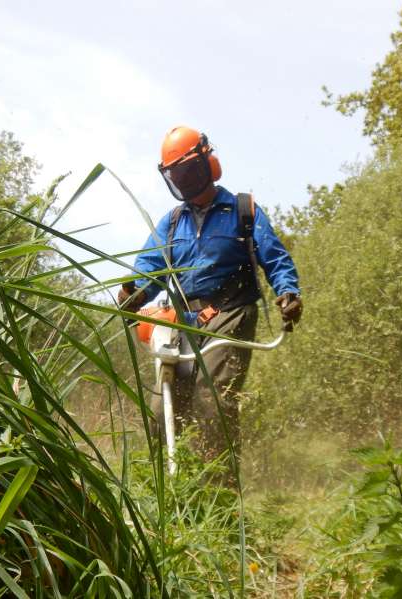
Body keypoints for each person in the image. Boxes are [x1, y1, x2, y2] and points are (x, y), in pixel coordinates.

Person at [118, 125, 302, 468]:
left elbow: (275, 258)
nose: (184, 180)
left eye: (188, 170)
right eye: (176, 174)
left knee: (211, 401)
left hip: (231, 313)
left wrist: (288, 292)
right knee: (163, 413)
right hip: (183, 321)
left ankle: (220, 496)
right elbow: (150, 268)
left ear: (207, 163)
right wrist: (131, 293)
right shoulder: (172, 222)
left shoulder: (243, 211)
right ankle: (171, 494)